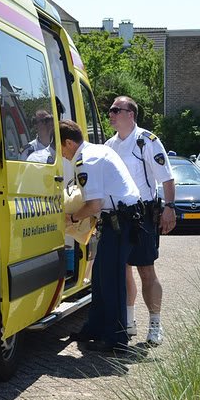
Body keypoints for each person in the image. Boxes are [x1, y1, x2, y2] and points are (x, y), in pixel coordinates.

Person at [60, 119, 141, 353]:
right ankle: (94, 328)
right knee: (100, 277)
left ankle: (116, 340)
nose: (60, 154)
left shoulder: (87, 160)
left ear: (68, 142)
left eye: (61, 148)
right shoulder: (97, 150)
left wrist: (73, 218)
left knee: (112, 280)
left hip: (120, 221)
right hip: (120, 219)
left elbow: (94, 205)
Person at [106, 96, 175, 346]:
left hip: (143, 213)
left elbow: (166, 178)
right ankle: (129, 322)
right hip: (117, 215)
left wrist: (170, 208)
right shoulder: (109, 146)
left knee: (146, 270)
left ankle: (155, 323)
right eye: (110, 110)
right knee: (123, 269)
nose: (110, 114)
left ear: (130, 114)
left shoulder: (147, 141)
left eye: (115, 110)